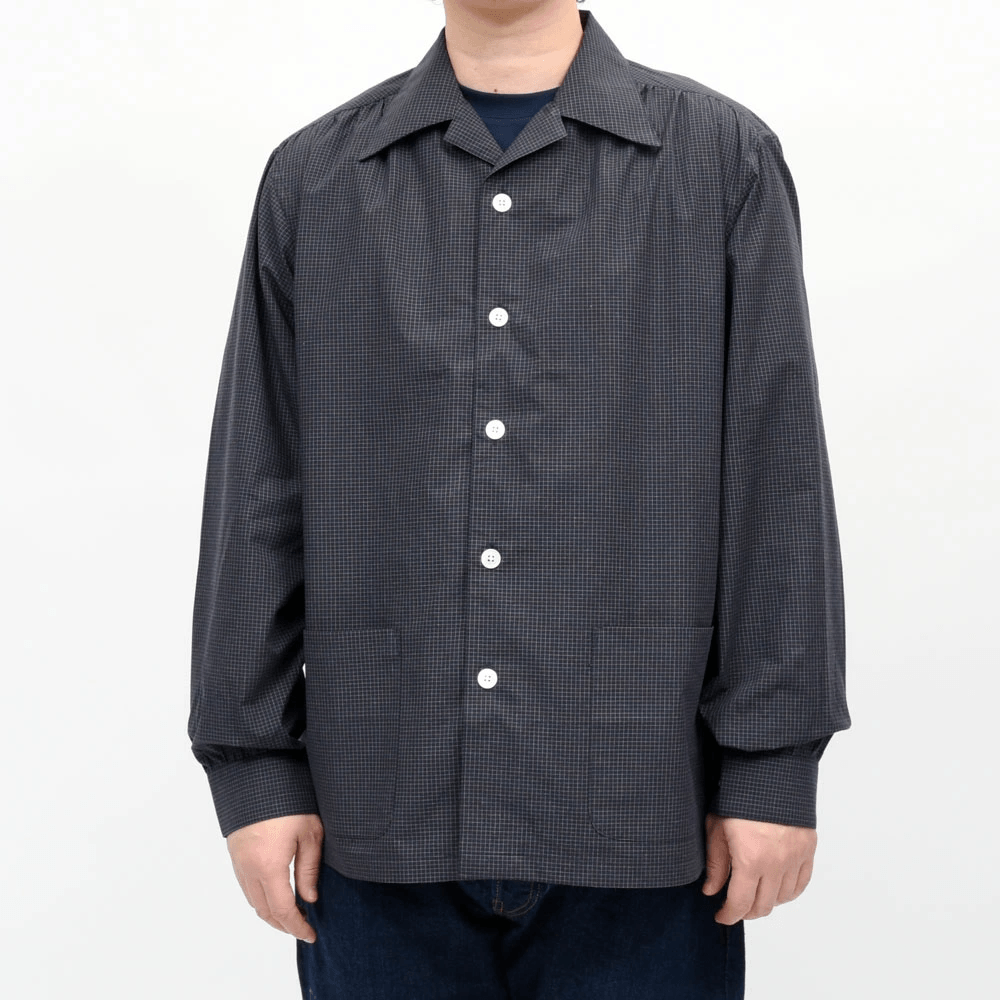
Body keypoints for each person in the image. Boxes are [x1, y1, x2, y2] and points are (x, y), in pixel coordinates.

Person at [187, 2, 852, 997]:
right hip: (378, 810)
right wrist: (254, 768)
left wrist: (771, 764)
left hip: (643, 803)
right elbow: (259, 482)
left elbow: (775, 477)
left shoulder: (721, 161)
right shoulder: (316, 177)